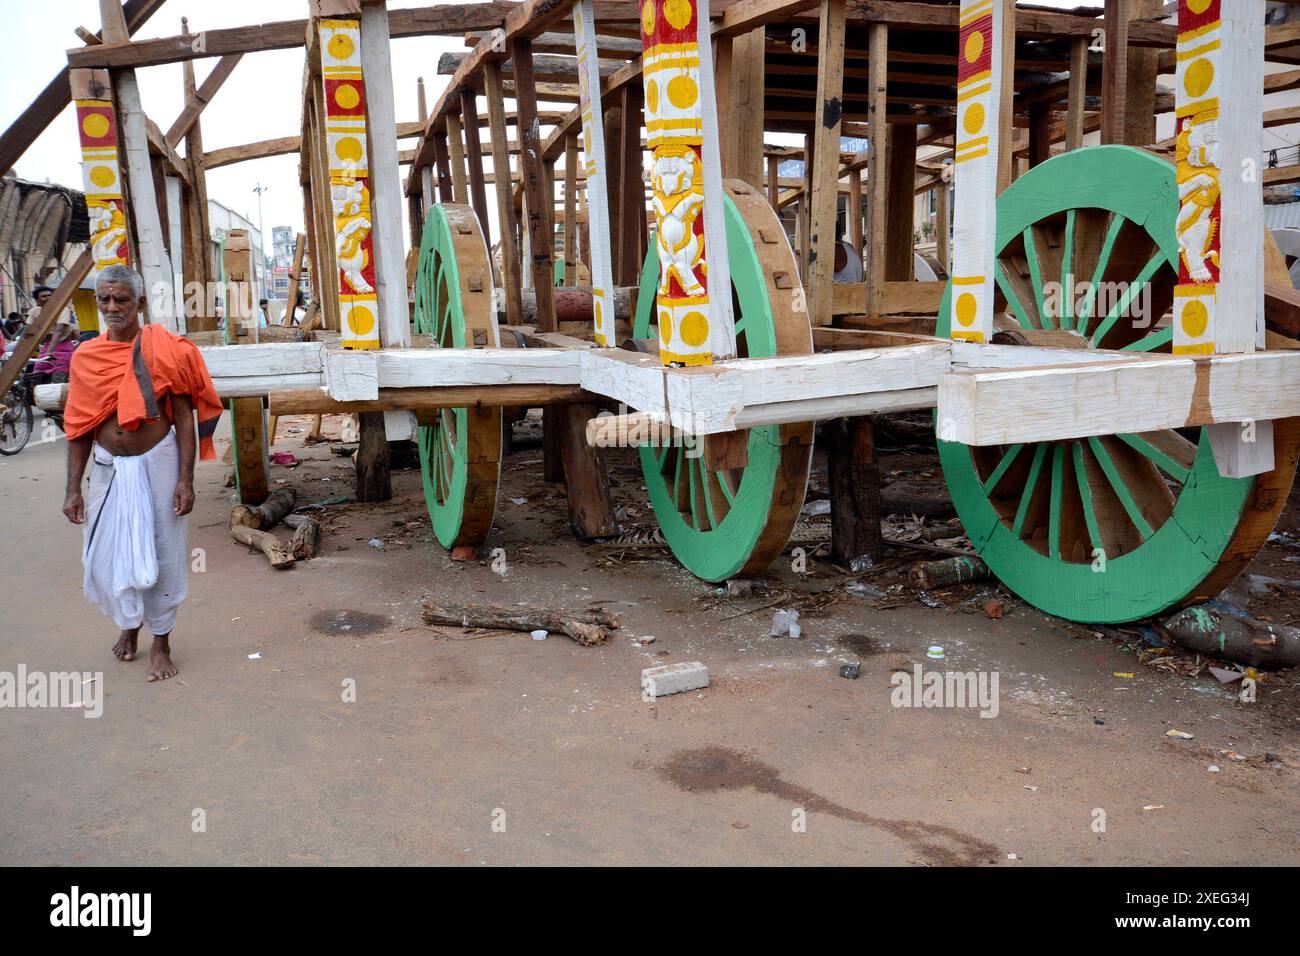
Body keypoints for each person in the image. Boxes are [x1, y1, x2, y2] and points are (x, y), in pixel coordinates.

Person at [61, 265, 223, 682]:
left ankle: (162, 642)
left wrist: (186, 480)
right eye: (104, 299)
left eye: (121, 300)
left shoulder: (168, 350)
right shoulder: (87, 356)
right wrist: (72, 489)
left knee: (163, 552)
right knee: (106, 554)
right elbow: (79, 426)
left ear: (141, 304)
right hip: (106, 466)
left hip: (158, 460)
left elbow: (184, 419)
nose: (112, 307)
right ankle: (129, 624)